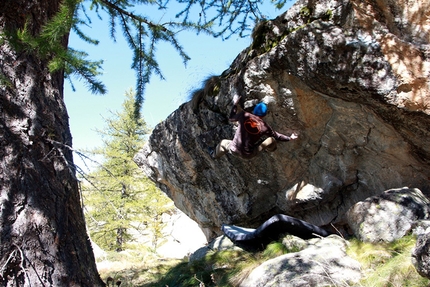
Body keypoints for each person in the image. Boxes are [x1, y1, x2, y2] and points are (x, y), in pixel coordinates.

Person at [209, 96, 298, 159]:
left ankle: (213, 155)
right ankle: (271, 150)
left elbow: (231, 118)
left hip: (234, 149)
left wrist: (235, 105)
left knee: (224, 143)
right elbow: (277, 136)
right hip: (248, 154)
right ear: (264, 115)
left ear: (254, 110)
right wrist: (289, 138)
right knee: (271, 139)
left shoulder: (244, 115)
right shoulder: (264, 126)